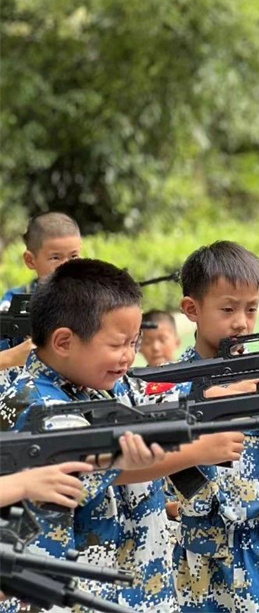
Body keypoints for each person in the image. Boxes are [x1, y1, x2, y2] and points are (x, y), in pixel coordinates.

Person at [0, 259, 174, 612]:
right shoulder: (32, 402)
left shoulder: (107, 385)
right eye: (117, 344)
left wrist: (228, 395)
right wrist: (199, 450)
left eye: (134, 343)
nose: (128, 356)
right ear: (64, 341)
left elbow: (160, 398)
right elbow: (88, 467)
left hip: (134, 587)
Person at [170, 241, 259, 613]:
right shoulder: (173, 382)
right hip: (204, 543)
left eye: (251, 309)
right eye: (227, 309)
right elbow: (167, 420)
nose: (241, 322)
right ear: (192, 309)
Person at [0, 212, 83, 385]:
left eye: (73, 256)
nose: (66, 265)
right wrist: (14, 356)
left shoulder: (91, 297)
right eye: (55, 257)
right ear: (30, 260)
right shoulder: (13, 302)